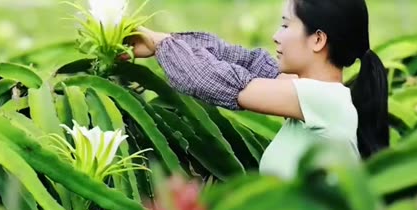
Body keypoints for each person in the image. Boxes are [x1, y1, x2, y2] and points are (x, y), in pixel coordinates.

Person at [120, 0, 389, 180]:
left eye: (285, 25)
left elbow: (215, 80)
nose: (276, 35)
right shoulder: (309, 95)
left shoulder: (324, 99)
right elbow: (240, 61)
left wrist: (164, 47)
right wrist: (158, 41)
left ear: (317, 39)